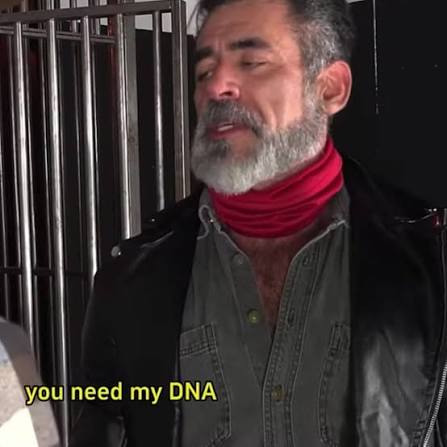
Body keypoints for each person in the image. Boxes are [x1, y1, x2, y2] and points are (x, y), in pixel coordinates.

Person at [70, 0, 447, 445]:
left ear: (330, 88)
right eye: (204, 71)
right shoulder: (131, 279)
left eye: (251, 63)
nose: (217, 87)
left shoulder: (433, 264)